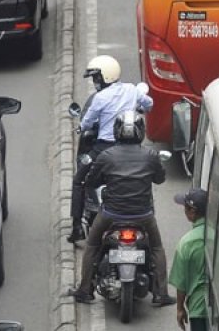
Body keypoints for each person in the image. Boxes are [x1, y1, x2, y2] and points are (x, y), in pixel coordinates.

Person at [68, 110, 176, 307]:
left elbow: (91, 182)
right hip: (143, 215)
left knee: (92, 245)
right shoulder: (150, 155)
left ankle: (85, 290)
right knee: (157, 248)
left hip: (110, 214)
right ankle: (161, 293)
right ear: (141, 132)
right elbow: (160, 179)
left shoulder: (105, 155)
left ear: (117, 132)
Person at [67, 55, 154, 243]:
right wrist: (141, 108)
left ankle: (76, 228)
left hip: (103, 149)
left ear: (106, 76)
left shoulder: (99, 98)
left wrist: (81, 127)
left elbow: (88, 120)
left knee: (79, 181)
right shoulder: (132, 90)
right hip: (130, 146)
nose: (94, 81)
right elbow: (148, 104)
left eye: (96, 77)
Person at [169, 188, 209, 331]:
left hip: (198, 310)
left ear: (192, 211)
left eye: (185, 207)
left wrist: (180, 309)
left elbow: (181, 284)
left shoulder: (186, 243)